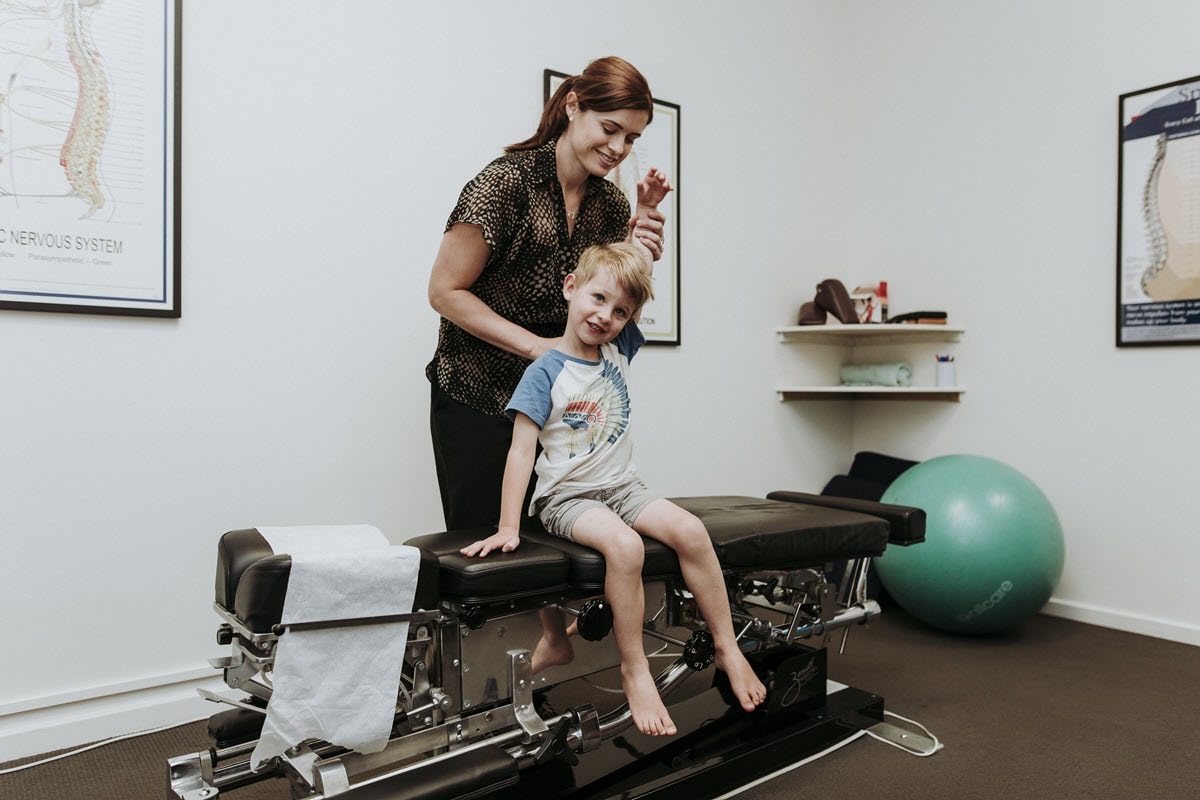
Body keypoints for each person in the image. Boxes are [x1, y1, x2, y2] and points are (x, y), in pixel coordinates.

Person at [459, 242, 768, 738]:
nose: (605, 316)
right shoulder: (543, 373)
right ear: (571, 287)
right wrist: (509, 527)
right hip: (567, 499)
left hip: (623, 487)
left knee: (691, 530)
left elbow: (635, 270)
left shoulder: (617, 350)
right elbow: (520, 452)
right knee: (625, 548)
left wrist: (645, 211)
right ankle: (635, 669)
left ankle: (729, 648)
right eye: (597, 299)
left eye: (620, 311)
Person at [427, 56, 669, 531]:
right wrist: (538, 348)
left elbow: (609, 308)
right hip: (479, 395)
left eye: (632, 138)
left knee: (562, 555)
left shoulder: (611, 203)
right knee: (493, 560)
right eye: (611, 128)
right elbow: (443, 291)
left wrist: (639, 255)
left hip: (564, 408)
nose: (619, 147)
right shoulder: (505, 183)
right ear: (574, 106)